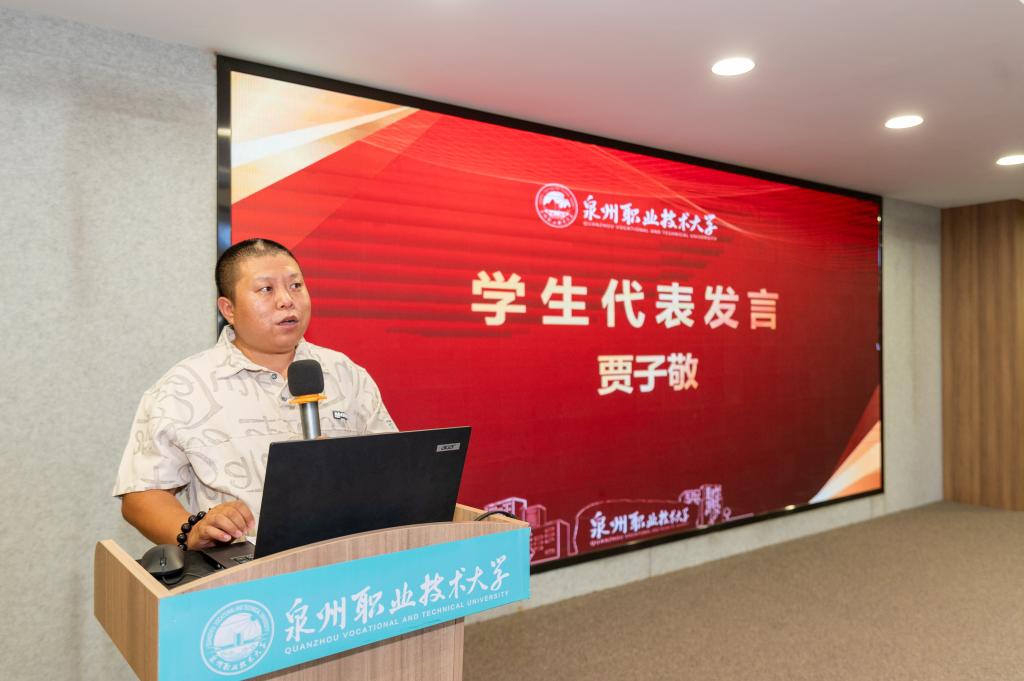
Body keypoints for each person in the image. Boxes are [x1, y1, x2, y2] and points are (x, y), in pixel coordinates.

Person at [113, 238, 397, 550]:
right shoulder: (183, 387)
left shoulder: (345, 373)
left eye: (296, 286)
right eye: (266, 289)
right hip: (244, 568)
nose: (286, 300)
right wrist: (193, 531)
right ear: (229, 309)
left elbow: (394, 469)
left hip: (351, 558)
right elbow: (141, 494)